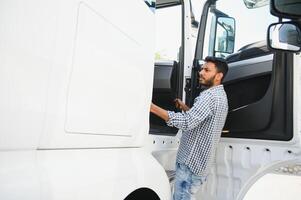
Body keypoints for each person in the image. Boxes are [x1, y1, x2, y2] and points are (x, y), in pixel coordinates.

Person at [150, 56, 229, 200]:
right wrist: (186, 108)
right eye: (201, 69)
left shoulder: (209, 97)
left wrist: (152, 107)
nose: (201, 72)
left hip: (190, 165)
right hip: (199, 166)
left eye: (207, 70)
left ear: (219, 76)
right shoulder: (220, 95)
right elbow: (201, 120)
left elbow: (187, 123)